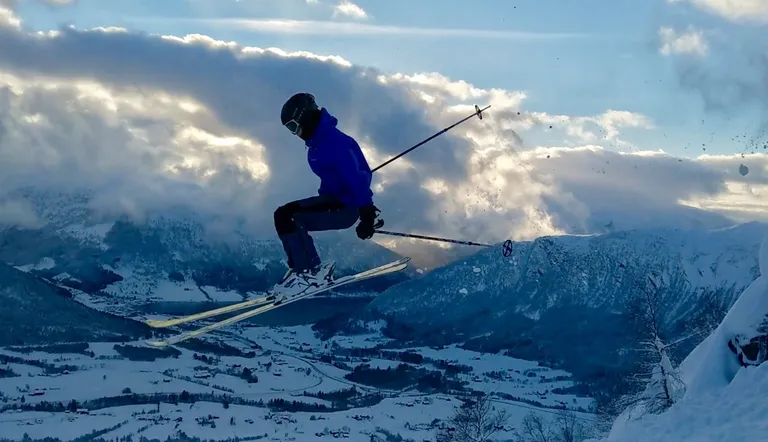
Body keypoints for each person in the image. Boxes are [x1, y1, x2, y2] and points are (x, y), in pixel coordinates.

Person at [271, 92, 380, 299]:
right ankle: (304, 271)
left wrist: (367, 214)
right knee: (286, 216)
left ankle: (307, 273)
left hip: (346, 206)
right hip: (336, 200)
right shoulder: (319, 143)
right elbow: (333, 177)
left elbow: (357, 178)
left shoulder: (333, 143)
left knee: (288, 216)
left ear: (305, 117)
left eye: (294, 126)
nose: (296, 133)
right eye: (290, 129)